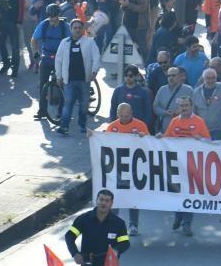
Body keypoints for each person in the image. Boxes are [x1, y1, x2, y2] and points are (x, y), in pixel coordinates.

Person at [157, 96, 210, 236]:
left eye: (187, 105)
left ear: (191, 107)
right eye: (182, 106)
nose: (184, 108)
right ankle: (178, 215)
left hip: (192, 164)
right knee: (176, 192)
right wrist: (159, 137)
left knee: (189, 193)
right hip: (176, 163)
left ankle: (187, 224)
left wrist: (202, 139)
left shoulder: (199, 121)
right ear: (179, 108)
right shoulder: (174, 121)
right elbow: (167, 138)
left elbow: (209, 141)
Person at [106, 103, 148, 235]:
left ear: (132, 113)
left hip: (135, 168)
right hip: (118, 168)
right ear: (118, 114)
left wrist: (144, 138)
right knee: (115, 196)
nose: (125, 118)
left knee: (133, 197)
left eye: (127, 115)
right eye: (122, 116)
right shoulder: (112, 127)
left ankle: (133, 225)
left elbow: (150, 144)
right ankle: (113, 225)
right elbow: (104, 144)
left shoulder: (140, 125)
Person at [54, 19, 101, 135]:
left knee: (84, 104)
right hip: (69, 80)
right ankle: (64, 126)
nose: (77, 30)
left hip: (84, 80)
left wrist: (94, 71)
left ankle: (82, 125)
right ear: (71, 29)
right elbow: (58, 60)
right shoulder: (64, 43)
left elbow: (96, 58)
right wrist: (59, 76)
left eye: (79, 28)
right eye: (75, 28)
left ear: (83, 29)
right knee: (68, 102)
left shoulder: (90, 42)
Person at [65, 189, 130, 265]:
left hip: (108, 263)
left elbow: (125, 242)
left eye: (107, 201)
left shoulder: (118, 223)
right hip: (88, 262)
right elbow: (69, 236)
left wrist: (116, 250)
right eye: (101, 199)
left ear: (111, 204)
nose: (104, 203)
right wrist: (75, 254)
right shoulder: (83, 219)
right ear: (96, 201)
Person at [31, 3, 71, 120]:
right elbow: (34, 40)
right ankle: (42, 110)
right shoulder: (43, 25)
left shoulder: (65, 27)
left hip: (60, 58)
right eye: (50, 15)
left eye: (54, 15)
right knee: (42, 83)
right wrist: (36, 53)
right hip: (47, 56)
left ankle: (61, 111)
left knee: (62, 84)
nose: (52, 18)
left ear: (58, 15)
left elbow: (71, 41)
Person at [192, 68, 221, 140]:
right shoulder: (196, 92)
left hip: (217, 130)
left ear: (216, 78)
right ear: (203, 79)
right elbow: (194, 111)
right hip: (200, 130)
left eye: (213, 78)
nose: (211, 80)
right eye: (208, 78)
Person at [153, 67, 194, 133]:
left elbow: (194, 107)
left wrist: (182, 111)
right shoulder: (162, 90)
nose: (171, 78)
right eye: (169, 76)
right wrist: (165, 112)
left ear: (179, 76)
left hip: (184, 129)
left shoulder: (188, 90)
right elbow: (155, 107)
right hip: (165, 127)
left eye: (173, 75)